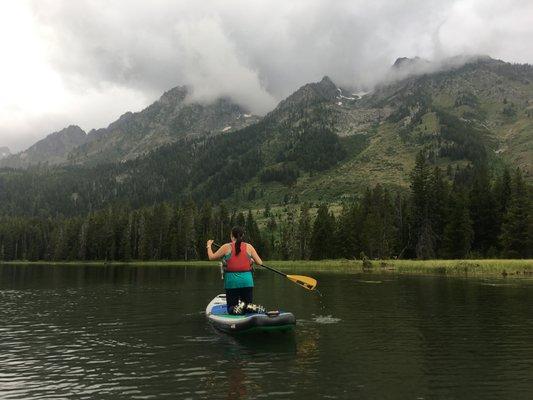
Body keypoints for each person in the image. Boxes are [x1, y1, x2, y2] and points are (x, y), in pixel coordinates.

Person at [206, 226, 265, 315]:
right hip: (247, 282)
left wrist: (208, 246)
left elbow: (211, 257)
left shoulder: (226, 247)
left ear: (232, 236)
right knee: (247, 307)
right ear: (243, 235)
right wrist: (251, 260)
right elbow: (260, 262)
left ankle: (236, 308)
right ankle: (248, 306)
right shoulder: (249, 247)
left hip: (232, 282)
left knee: (230, 308)